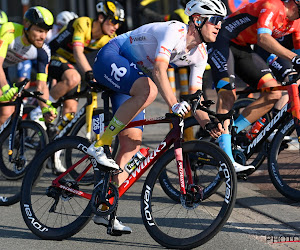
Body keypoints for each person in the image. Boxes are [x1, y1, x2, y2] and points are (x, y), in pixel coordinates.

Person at [88, 0, 227, 234]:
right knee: (149, 89)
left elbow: (195, 100)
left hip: (134, 77)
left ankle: (105, 208)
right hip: (113, 55)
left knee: (131, 144)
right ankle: (99, 145)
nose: (219, 26)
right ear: (197, 20)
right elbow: (159, 70)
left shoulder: (200, 54)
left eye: (221, 22)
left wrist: (208, 122)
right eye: (214, 20)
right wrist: (173, 104)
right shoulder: (175, 31)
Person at [207, 0, 300, 172]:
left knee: (273, 93)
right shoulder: (273, 5)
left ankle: (230, 131)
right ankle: (226, 161)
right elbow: (263, 38)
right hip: (222, 41)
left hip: (243, 48)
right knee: (228, 94)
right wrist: (294, 59)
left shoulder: (296, 23)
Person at [47, 0, 125, 121]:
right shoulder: (83, 23)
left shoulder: (109, 38)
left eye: (119, 23)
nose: (116, 26)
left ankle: (58, 135)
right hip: (53, 56)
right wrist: (89, 72)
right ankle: (42, 108)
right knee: (73, 78)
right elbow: (77, 52)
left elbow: (116, 59)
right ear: (100, 17)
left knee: (70, 111)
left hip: (71, 64)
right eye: (113, 21)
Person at [0, 6, 57, 125]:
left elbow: (41, 85)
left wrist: (45, 108)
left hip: (3, 70)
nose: (43, 36)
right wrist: (5, 88)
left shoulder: (43, 51)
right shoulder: (10, 30)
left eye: (46, 31)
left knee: (7, 112)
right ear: (26, 24)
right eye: (39, 31)